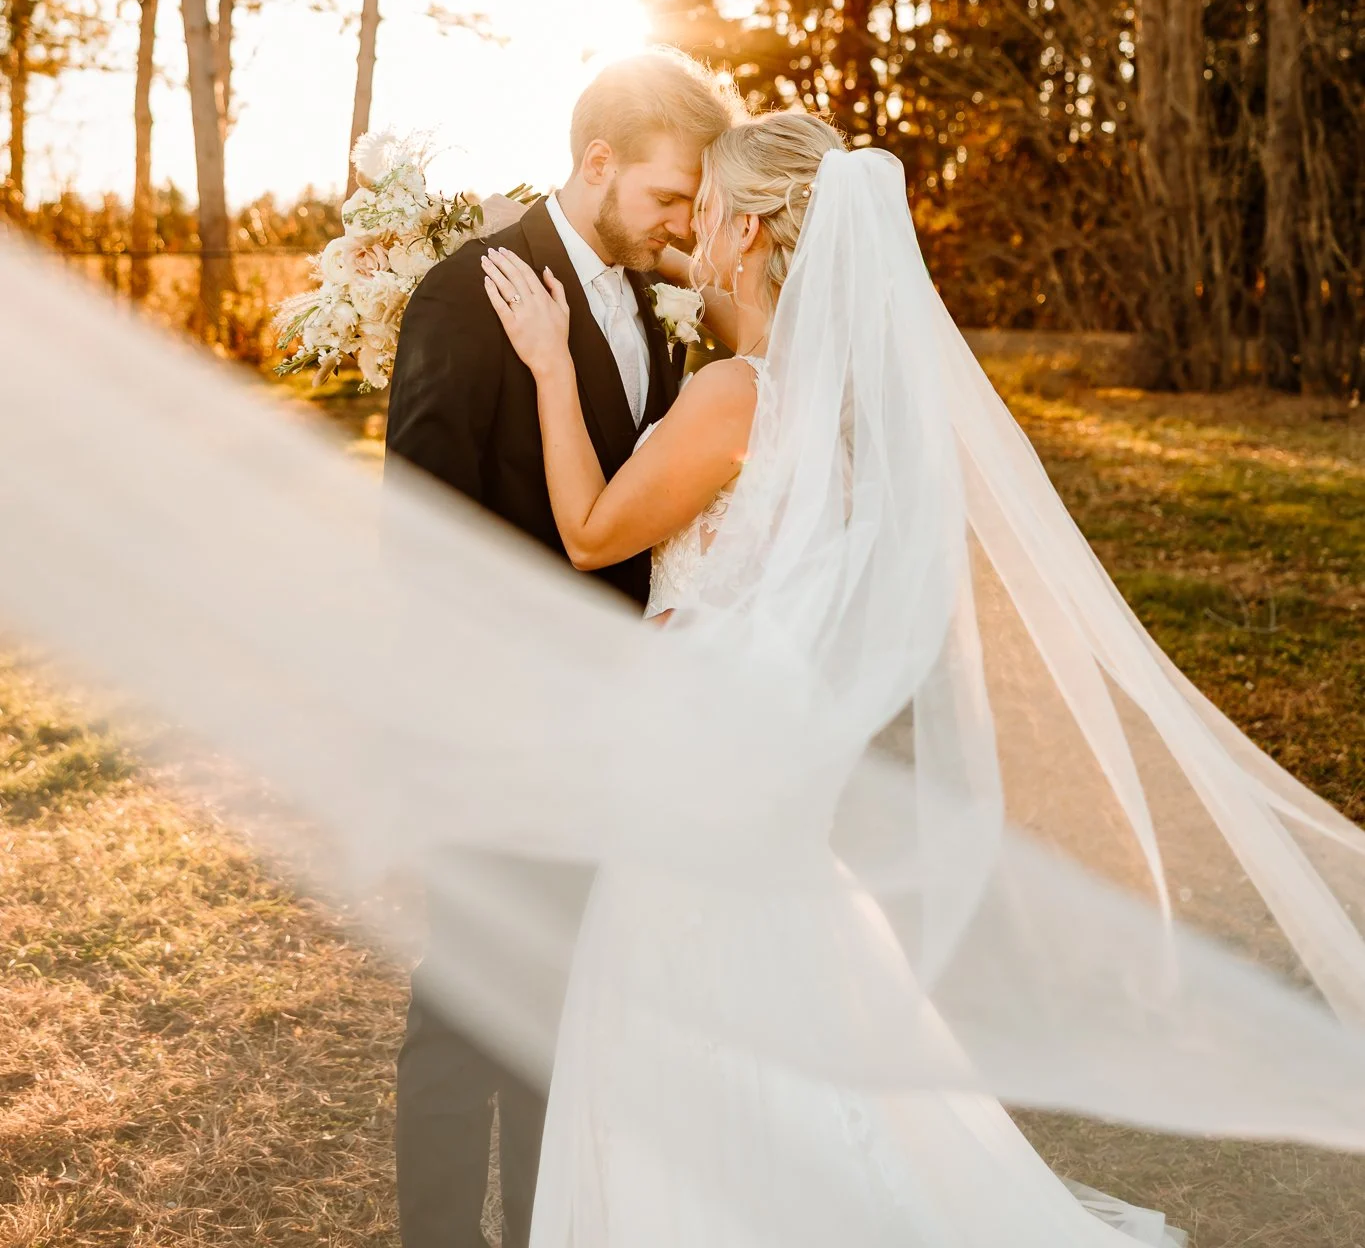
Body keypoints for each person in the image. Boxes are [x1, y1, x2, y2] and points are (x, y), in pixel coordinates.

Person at [482, 110, 1187, 1245]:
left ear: (751, 228)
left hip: (696, 757)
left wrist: (553, 364)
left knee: (681, 1005)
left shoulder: (731, 396)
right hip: (755, 753)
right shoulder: (828, 395)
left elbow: (590, 528)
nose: (685, 230)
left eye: (702, 210)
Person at [383, 48, 740, 1248]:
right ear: (599, 162)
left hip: (614, 732)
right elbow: (423, 525)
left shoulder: (651, 306)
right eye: (672, 195)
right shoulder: (466, 291)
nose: (685, 222)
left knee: (564, 1012)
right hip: (495, 722)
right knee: (470, 1006)